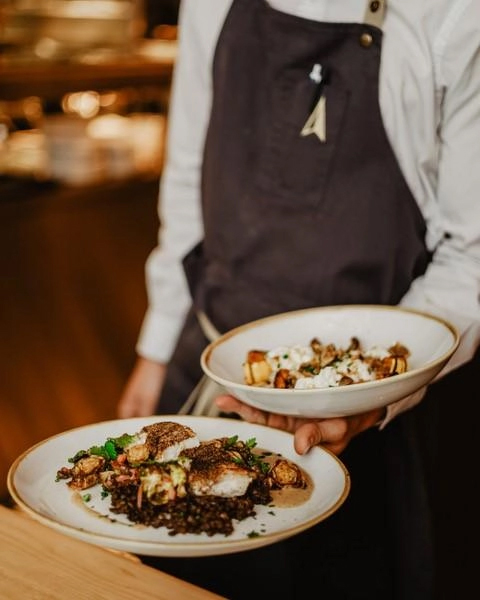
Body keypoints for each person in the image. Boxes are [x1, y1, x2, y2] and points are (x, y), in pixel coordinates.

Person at [117, 1, 480, 598]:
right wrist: (157, 347)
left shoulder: (455, 14)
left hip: (372, 413)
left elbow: (468, 255)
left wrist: (376, 396)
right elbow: (187, 177)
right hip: (207, 370)